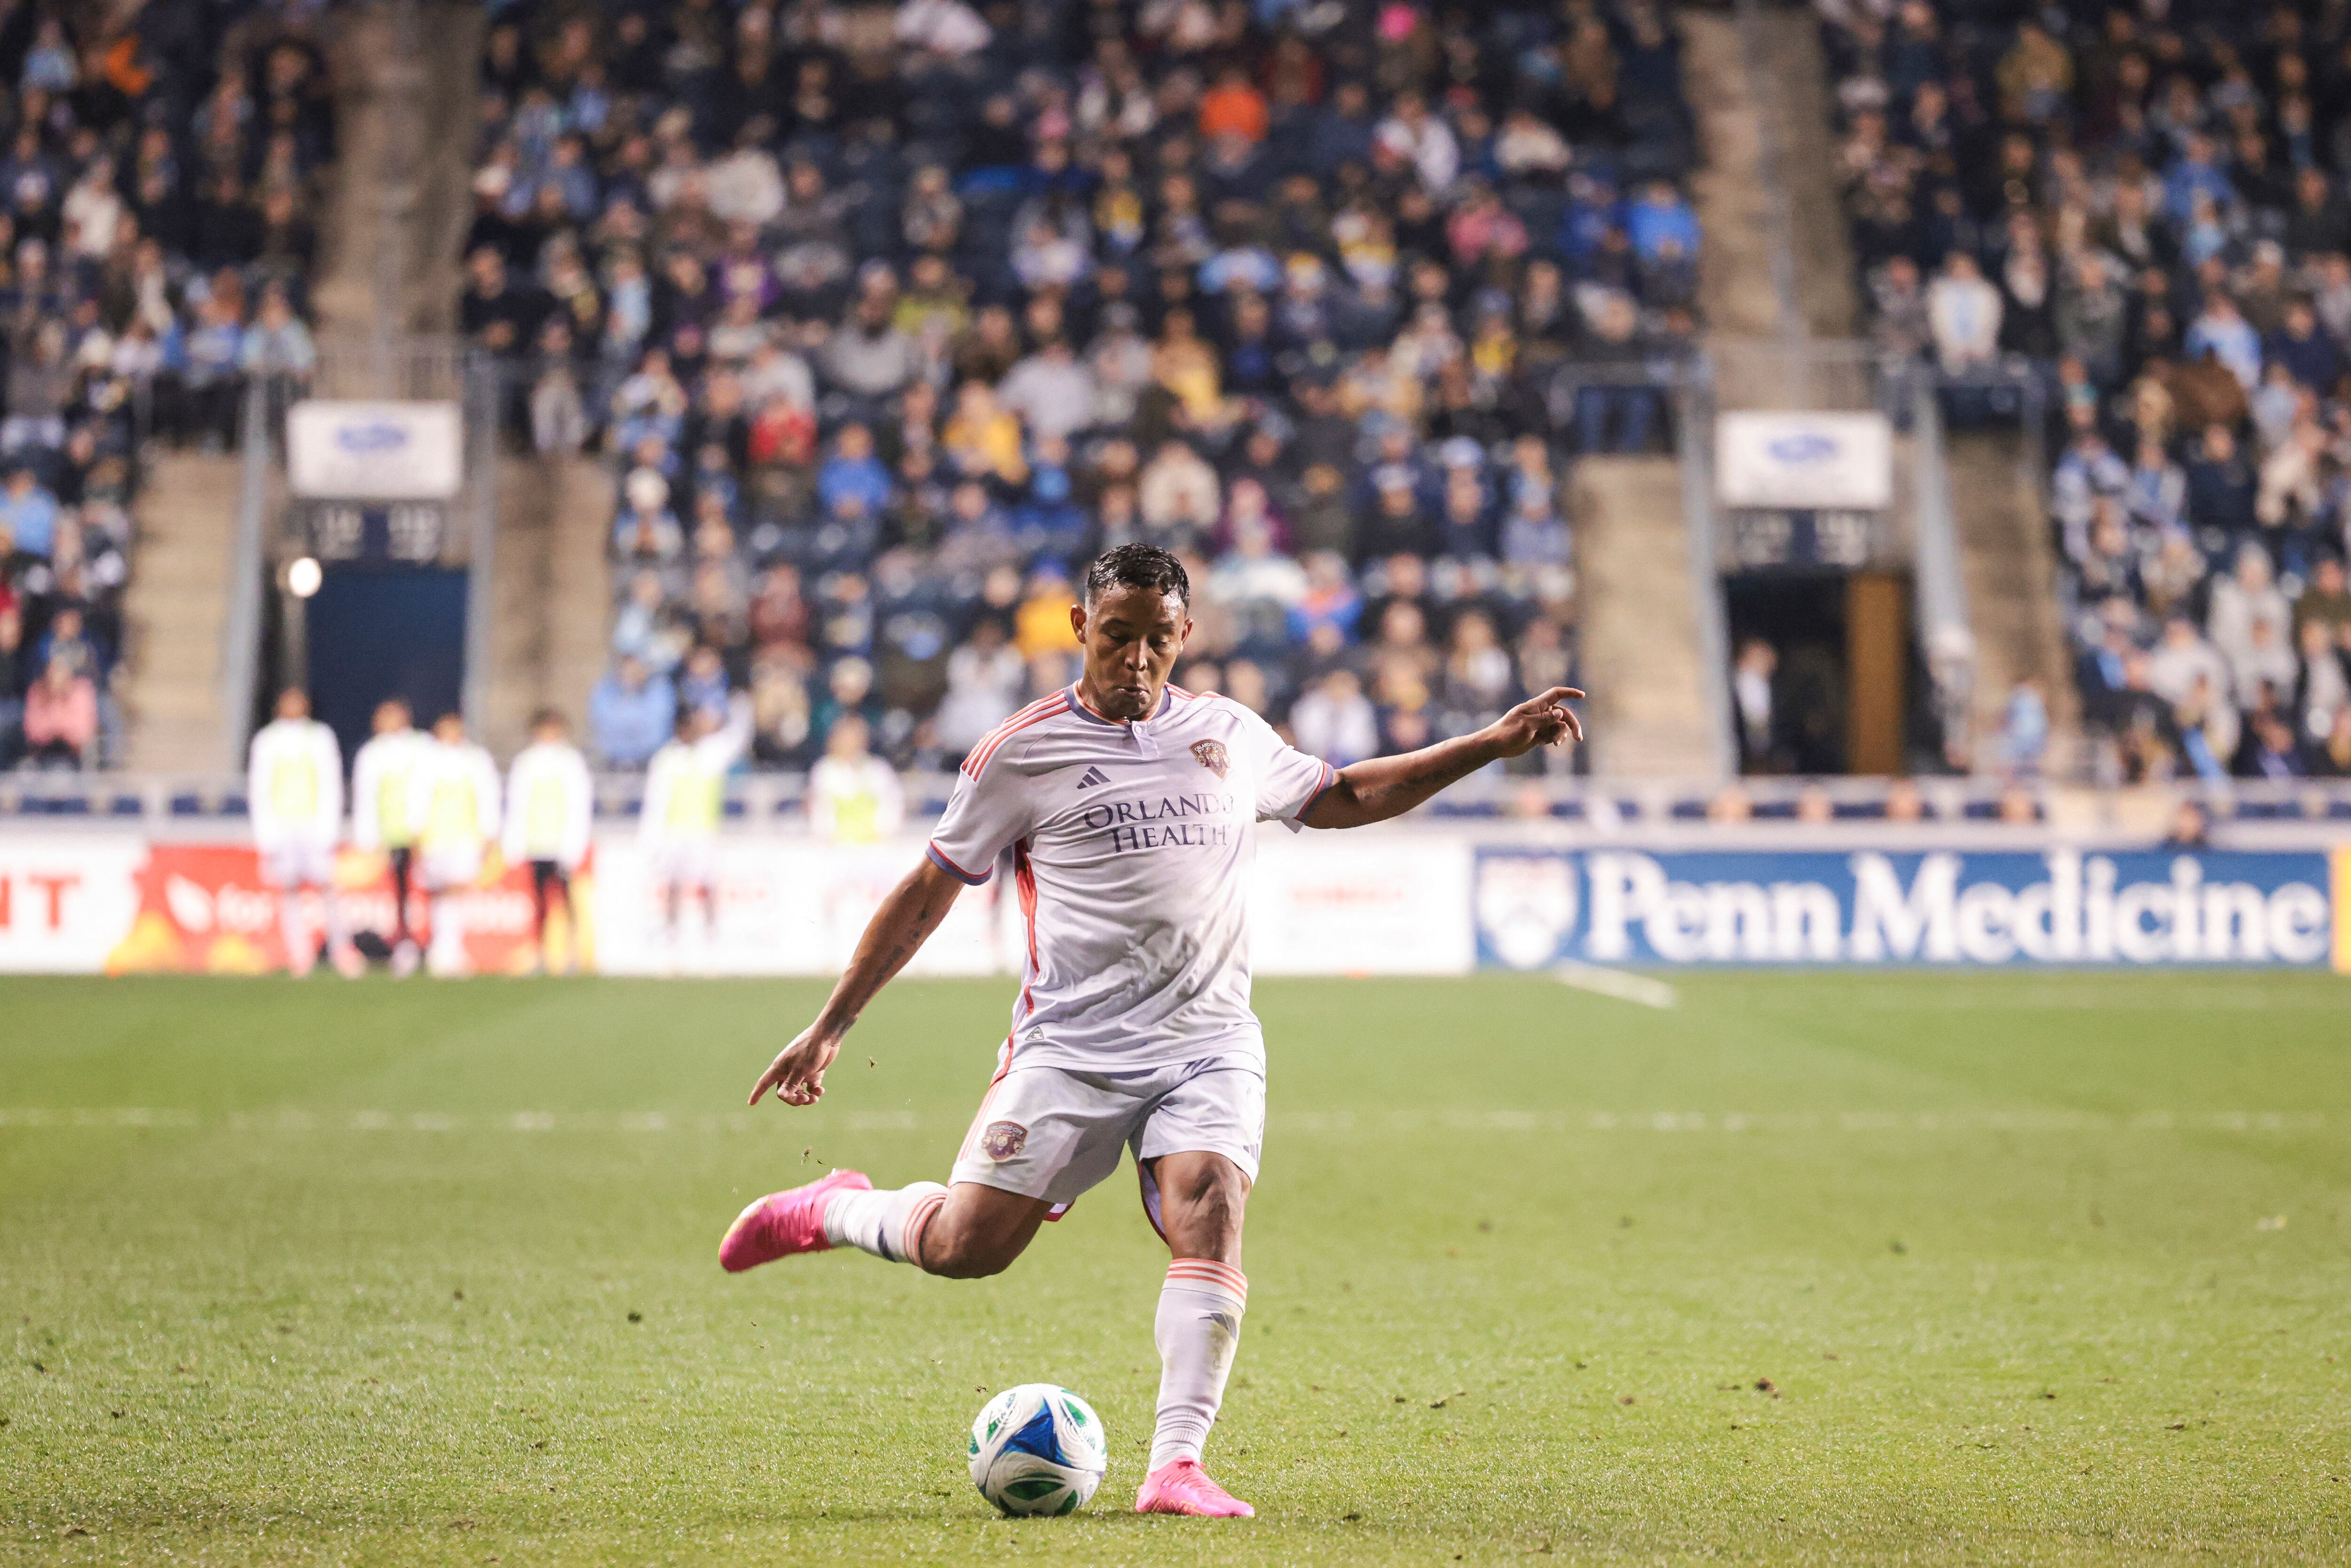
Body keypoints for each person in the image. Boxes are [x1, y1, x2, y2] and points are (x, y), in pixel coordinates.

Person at [718, 546, 1584, 1518]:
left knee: (1209, 1200)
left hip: (1208, 1036)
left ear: (1186, 637)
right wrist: (832, 1022)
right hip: (1070, 1048)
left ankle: (1176, 1461)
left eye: (1157, 639)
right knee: (968, 1245)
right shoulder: (1021, 749)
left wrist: (1488, 743)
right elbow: (929, 890)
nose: (1136, 657)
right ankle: (837, 1206)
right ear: (1080, 627)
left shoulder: (1228, 732)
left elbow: (1343, 795)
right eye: (1118, 635)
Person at [245, 688, 358, 978]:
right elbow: (259, 787)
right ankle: (299, 952)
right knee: (289, 890)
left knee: (327, 886)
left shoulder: (320, 736)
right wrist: (265, 831)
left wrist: (330, 826)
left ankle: (341, 948)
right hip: (282, 826)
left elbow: (331, 781)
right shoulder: (267, 740)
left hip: (314, 824)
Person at [641, 694, 749, 961]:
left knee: (709, 888)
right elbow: (655, 801)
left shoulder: (711, 753)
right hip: (674, 834)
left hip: (704, 834)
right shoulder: (666, 759)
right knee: (674, 888)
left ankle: (711, 942)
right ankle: (672, 943)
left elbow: (739, 736)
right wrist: (651, 840)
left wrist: (742, 704)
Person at [407, 713, 502, 978]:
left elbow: (487, 798)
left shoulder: (476, 760)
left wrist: (489, 834)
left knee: (455, 890)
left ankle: (448, 949)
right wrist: (416, 834)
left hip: (465, 837)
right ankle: (444, 950)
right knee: (442, 891)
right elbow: (418, 801)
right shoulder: (427, 761)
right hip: (435, 838)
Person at [502, 708, 594, 974]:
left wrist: (574, 842)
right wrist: (516, 841)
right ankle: (542, 954)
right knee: (540, 901)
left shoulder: (570, 761)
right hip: (536, 843)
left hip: (562, 844)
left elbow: (579, 804)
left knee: (566, 899)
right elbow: (518, 804)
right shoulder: (526, 762)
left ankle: (574, 955)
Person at [351, 698, 432, 974]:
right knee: (398, 891)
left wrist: (421, 826)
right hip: (390, 834)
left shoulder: (421, 746)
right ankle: (404, 944)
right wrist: (369, 837)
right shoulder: (372, 753)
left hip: (423, 834)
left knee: (429, 889)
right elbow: (366, 797)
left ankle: (432, 945)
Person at [806, 714, 905, 843]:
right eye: (845, 738)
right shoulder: (824, 771)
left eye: (855, 737)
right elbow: (819, 810)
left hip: (876, 846)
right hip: (834, 847)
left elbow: (894, 804)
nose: (850, 742)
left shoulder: (879, 769)